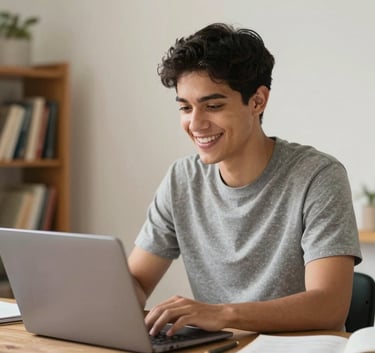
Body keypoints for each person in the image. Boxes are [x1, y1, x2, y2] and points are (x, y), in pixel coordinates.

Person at [128, 23, 362, 336]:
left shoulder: (317, 176)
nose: (195, 123)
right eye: (185, 107)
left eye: (213, 106)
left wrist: (221, 314)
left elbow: (328, 307)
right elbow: (137, 282)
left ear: (257, 101)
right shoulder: (181, 179)